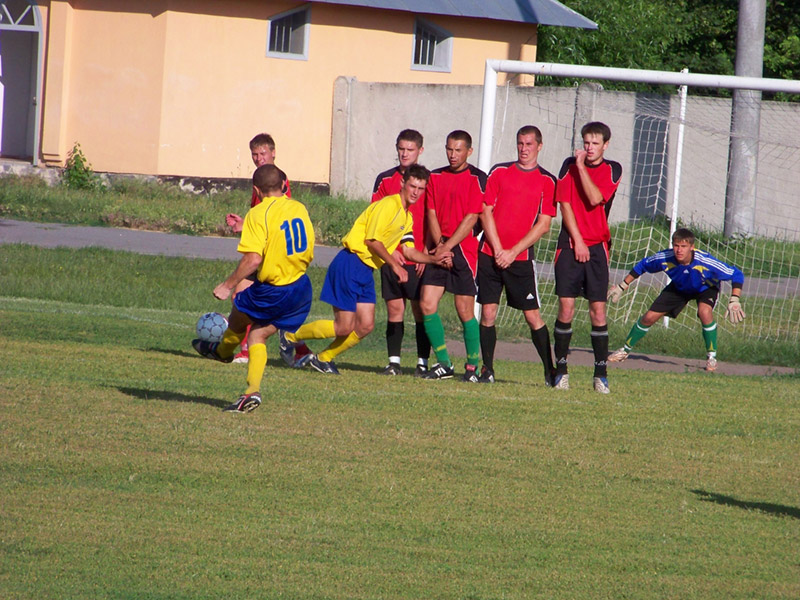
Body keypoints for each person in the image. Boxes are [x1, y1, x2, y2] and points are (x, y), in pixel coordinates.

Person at [279, 165, 452, 374]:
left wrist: (433, 259)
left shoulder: (407, 217)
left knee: (366, 325)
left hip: (366, 270)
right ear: (402, 184)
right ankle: (290, 336)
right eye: (412, 186)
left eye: (421, 188)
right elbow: (372, 241)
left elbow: (409, 251)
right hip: (351, 263)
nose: (416, 192)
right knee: (344, 326)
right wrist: (395, 265)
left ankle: (324, 358)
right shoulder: (388, 205)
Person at [192, 164, 314, 412]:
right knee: (257, 335)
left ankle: (224, 351)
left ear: (256, 190)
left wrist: (228, 285)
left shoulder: (258, 214)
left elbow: (253, 259)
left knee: (238, 314)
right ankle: (250, 393)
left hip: (274, 289)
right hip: (301, 287)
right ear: (283, 185)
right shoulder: (298, 207)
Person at [478, 125, 557, 385]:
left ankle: (550, 371)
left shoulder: (547, 180)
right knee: (488, 312)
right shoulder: (499, 172)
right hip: (490, 254)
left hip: (520, 260)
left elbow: (543, 224)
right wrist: (498, 248)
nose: (524, 149)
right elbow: (485, 211)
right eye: (520, 144)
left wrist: (512, 252)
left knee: (532, 315)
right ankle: (487, 369)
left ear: (539, 146)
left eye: (529, 144)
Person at [223, 133, 312, 366]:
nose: (259, 157)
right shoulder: (262, 181)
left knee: (242, 298)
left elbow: (278, 222)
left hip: (270, 256)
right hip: (267, 251)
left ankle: (246, 350)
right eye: (255, 154)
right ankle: (297, 348)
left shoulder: (276, 182)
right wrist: (245, 225)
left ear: (273, 153)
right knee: (270, 306)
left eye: (263, 153)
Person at [607, 227, 745, 372]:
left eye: (684, 246)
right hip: (679, 288)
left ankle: (712, 357)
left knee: (704, 312)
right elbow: (642, 265)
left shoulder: (705, 261)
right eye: (676, 245)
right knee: (649, 317)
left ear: (692, 247)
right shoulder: (665, 258)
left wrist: (734, 299)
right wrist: (622, 286)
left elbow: (736, 274)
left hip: (705, 288)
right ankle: (625, 350)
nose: (679, 250)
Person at [552, 121, 622, 394]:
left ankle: (600, 374)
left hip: (597, 248)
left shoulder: (611, 168)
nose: (589, 148)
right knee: (566, 308)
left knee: (598, 311)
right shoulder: (567, 165)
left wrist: (581, 167)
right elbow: (565, 204)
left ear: (605, 145)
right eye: (586, 143)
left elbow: (595, 199)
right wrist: (577, 241)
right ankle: (561, 372)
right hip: (569, 244)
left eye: (595, 143)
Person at [419, 130, 487, 382]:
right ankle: (444, 363)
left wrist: (449, 248)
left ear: (469, 151)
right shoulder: (435, 176)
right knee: (427, 303)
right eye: (449, 149)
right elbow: (431, 213)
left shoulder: (478, 178)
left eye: (458, 150)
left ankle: (472, 367)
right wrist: (439, 245)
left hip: (463, 250)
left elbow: (472, 217)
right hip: (440, 245)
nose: (453, 154)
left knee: (464, 310)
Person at [371, 129, 432, 377]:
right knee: (395, 309)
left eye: (410, 149)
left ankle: (422, 363)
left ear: (420, 151)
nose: (405, 154)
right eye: (401, 149)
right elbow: (376, 219)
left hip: (417, 258)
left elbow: (432, 218)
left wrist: (426, 250)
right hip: (392, 256)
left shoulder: (428, 181)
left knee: (420, 310)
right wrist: (392, 252)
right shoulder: (385, 180)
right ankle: (394, 362)